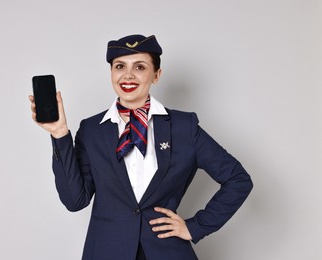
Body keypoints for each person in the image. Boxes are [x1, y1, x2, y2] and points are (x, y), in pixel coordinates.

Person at [29, 34, 253, 260]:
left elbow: (238, 179)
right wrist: (60, 135)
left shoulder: (184, 128)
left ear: (156, 75)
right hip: (106, 251)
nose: (128, 75)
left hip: (166, 253)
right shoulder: (92, 130)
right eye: (120, 66)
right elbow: (75, 201)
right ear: (111, 73)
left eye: (139, 67)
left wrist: (195, 226)